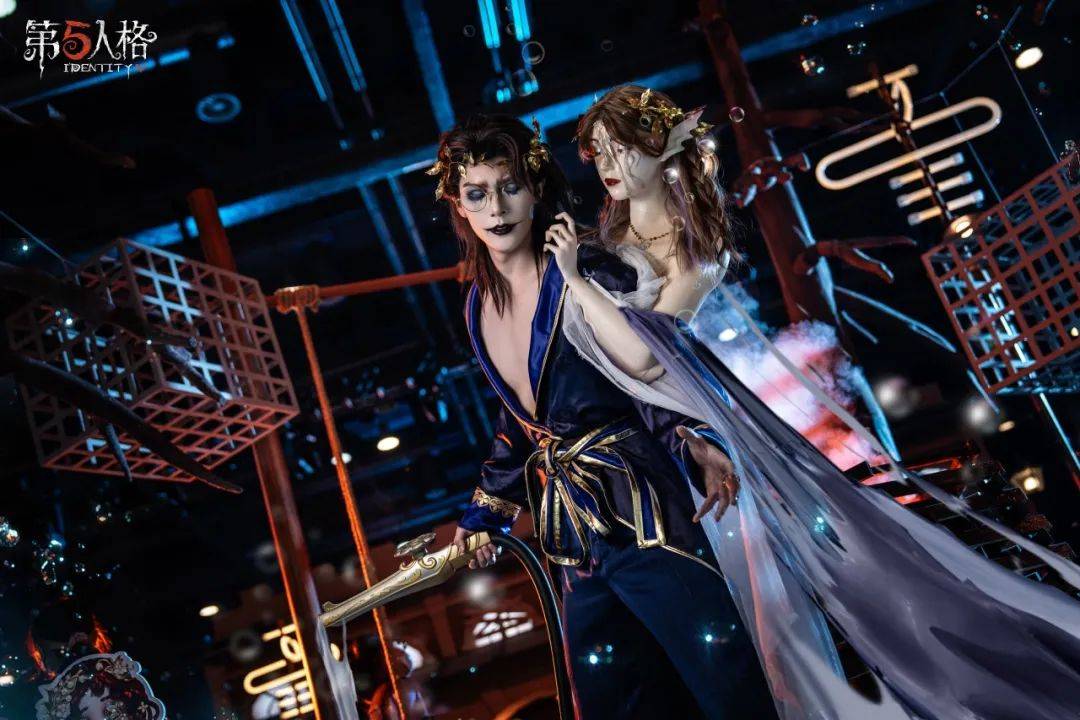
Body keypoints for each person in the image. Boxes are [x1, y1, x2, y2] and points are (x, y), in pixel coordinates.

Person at [547, 84, 1080, 720]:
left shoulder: (696, 251)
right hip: (633, 437)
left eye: (621, 148)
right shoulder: (601, 243)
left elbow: (642, 358)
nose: (607, 164)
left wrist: (575, 279)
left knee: (747, 602)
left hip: (690, 422)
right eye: (598, 151)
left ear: (661, 149)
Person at [431, 113, 777, 719]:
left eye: (510, 187)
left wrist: (696, 438)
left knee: (723, 682)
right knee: (613, 703)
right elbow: (520, 423)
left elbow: (652, 370)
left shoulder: (589, 266)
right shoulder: (477, 305)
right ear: (458, 205)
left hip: (644, 506)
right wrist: (485, 513)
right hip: (571, 534)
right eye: (477, 194)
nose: (497, 209)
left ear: (537, 188)